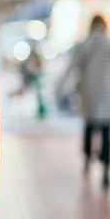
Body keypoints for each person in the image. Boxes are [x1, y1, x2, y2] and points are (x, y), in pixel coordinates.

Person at [58, 15, 110, 188]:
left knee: (89, 128)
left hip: (89, 94)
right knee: (105, 132)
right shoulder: (108, 45)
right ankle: (105, 170)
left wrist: (60, 88)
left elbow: (71, 67)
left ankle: (87, 163)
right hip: (106, 95)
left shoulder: (84, 45)